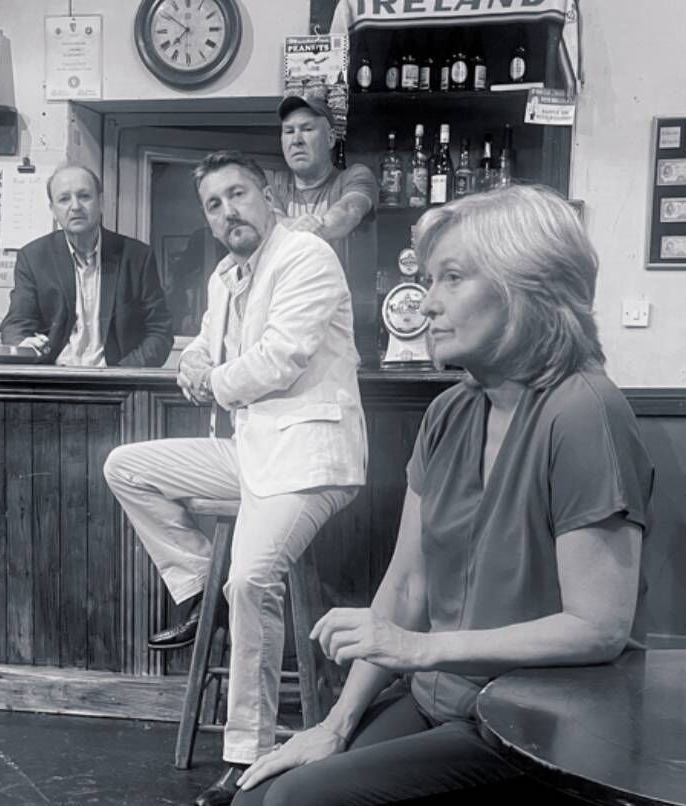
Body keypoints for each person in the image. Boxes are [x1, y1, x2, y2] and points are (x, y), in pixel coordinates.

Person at [232, 184, 656, 805]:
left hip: (537, 723)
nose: (427, 303)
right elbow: (407, 588)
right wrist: (334, 725)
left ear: (528, 287)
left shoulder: (584, 412)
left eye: (452, 278)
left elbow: (597, 629)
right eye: (430, 280)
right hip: (442, 700)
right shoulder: (449, 413)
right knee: (260, 794)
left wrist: (419, 649)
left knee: (297, 802)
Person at [103, 151, 367, 806]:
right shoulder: (225, 276)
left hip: (309, 457)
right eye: (214, 205)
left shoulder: (305, 256)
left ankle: (247, 754)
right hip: (251, 453)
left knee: (250, 579)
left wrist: (211, 382)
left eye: (238, 194)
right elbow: (198, 348)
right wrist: (193, 367)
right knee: (126, 466)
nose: (228, 212)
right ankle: (202, 592)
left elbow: (279, 359)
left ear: (268, 197)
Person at [0, 163, 173, 367]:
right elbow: (15, 325)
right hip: (53, 376)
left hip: (117, 378)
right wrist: (23, 345)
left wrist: (122, 375)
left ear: (101, 203)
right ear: (53, 210)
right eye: (64, 199)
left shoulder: (137, 257)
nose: (75, 206)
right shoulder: (33, 258)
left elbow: (160, 332)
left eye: (84, 196)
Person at [272, 96, 377, 358]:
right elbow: (268, 224)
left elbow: (349, 210)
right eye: (289, 131)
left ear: (330, 139)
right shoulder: (274, 186)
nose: (296, 139)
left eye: (307, 129)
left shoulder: (355, 176)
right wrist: (298, 226)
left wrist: (304, 227)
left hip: (349, 335)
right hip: (288, 332)